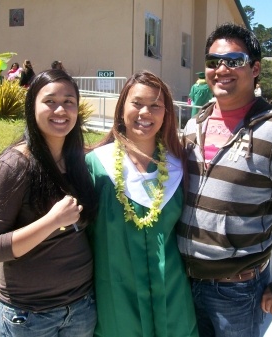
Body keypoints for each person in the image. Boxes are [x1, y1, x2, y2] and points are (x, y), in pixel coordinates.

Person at [178, 23, 272, 337]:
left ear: (255, 68)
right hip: (183, 282)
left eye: (234, 61)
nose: (221, 69)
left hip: (235, 292)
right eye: (213, 62)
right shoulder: (194, 123)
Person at [0, 69, 98, 337]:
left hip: (82, 309)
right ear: (31, 105)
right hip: (30, 316)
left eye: (69, 101)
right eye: (50, 101)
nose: (61, 109)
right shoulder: (13, 166)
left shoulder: (78, 161)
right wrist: (51, 221)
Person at [85, 70, 198, 337]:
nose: (145, 112)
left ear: (166, 114)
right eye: (136, 103)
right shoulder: (96, 166)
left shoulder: (180, 166)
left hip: (172, 296)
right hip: (116, 297)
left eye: (156, 106)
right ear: (122, 107)